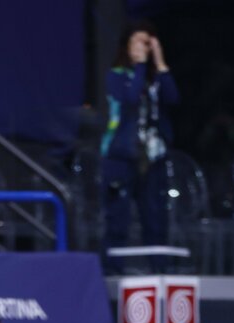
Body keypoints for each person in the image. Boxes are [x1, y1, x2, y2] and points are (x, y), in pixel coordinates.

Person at [100, 21, 179, 251]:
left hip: (153, 156)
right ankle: (113, 269)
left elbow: (173, 98)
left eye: (147, 43)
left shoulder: (154, 79)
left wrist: (160, 61)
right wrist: (141, 66)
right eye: (137, 42)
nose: (142, 48)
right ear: (127, 46)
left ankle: (159, 267)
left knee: (155, 217)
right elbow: (131, 100)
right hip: (121, 155)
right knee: (118, 218)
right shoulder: (116, 76)